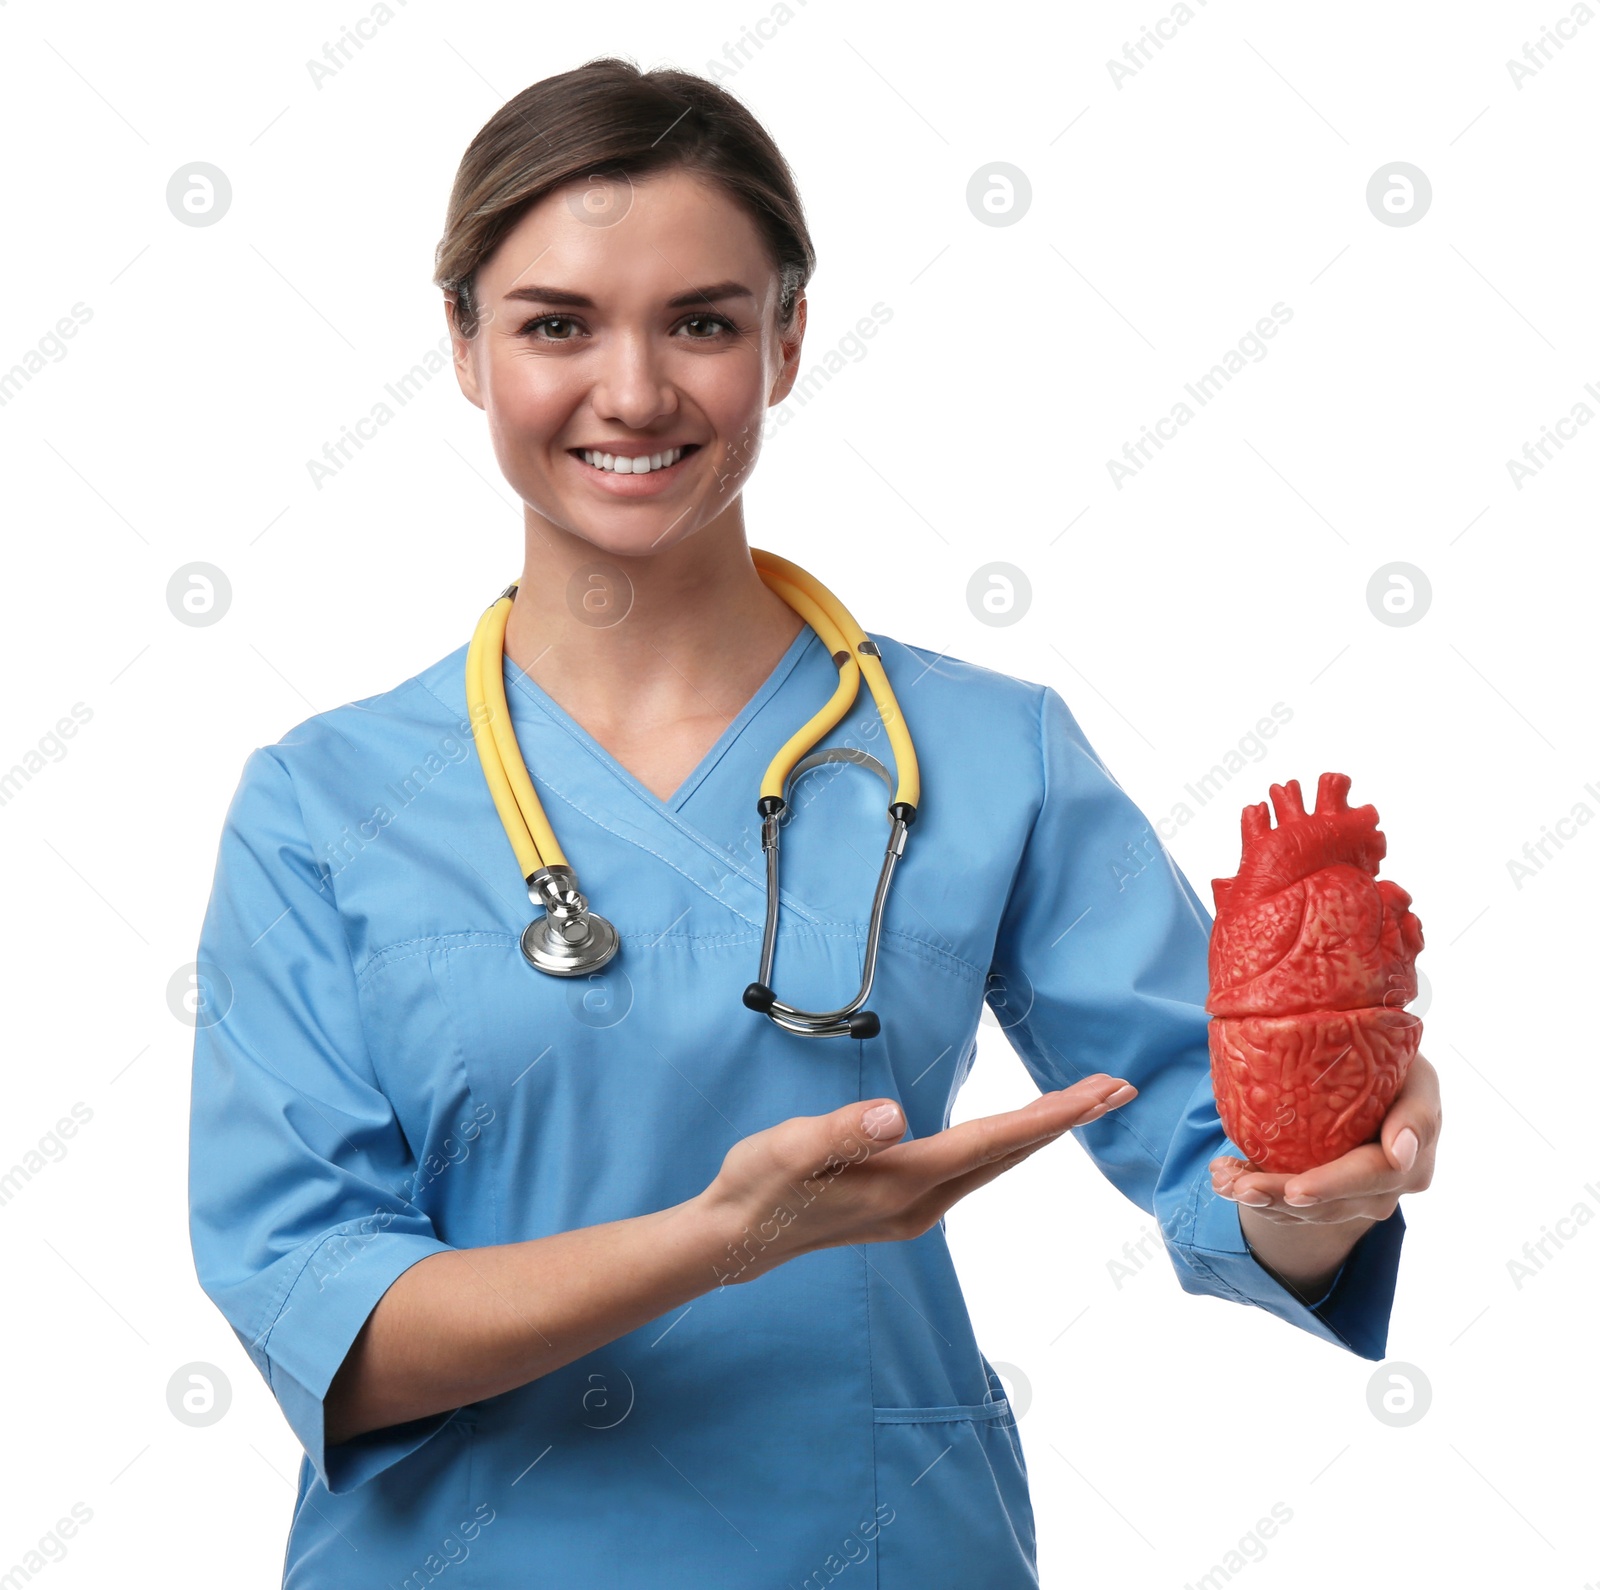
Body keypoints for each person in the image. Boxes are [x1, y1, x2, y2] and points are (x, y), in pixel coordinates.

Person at [186, 56, 1440, 1589]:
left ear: (786, 340)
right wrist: (722, 1238)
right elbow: (331, 1319)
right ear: (462, 344)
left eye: (702, 320)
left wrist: (1329, 1183)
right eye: (556, 323)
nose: (633, 391)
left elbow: (1227, 1158)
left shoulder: (988, 753)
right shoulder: (322, 805)